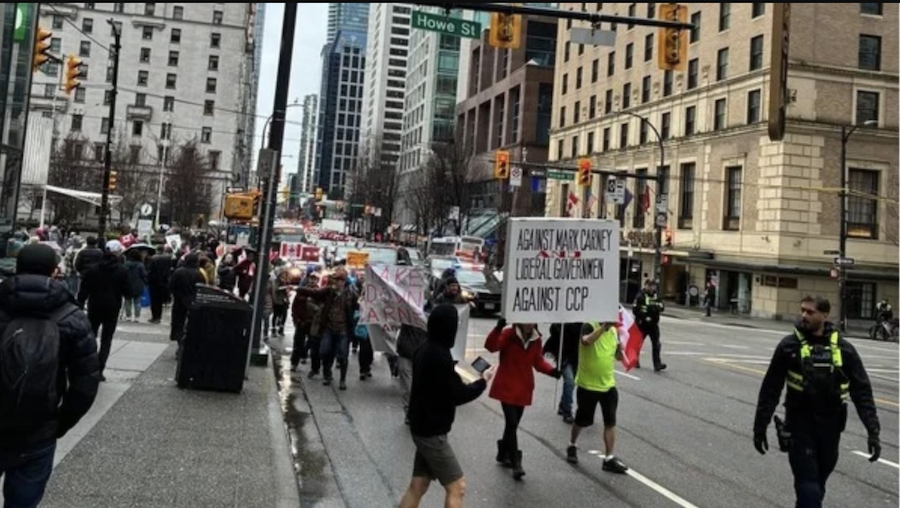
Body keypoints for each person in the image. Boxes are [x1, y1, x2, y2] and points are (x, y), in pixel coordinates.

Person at [753, 295, 881, 508]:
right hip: (799, 426)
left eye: (810, 312)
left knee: (817, 486)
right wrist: (760, 427)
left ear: (824, 315)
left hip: (830, 430)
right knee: (809, 487)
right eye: (802, 310)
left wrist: (873, 431)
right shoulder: (788, 346)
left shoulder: (844, 350)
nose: (803, 315)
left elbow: (862, 392)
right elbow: (770, 389)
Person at [0, 244, 99, 508]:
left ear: (16, 268)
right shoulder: (72, 317)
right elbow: (85, 383)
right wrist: (60, 422)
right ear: (55, 272)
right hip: (37, 428)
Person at [399, 304, 493, 508]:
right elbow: (457, 394)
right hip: (432, 432)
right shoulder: (438, 355)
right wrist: (483, 381)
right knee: (457, 486)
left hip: (422, 427)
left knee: (419, 485)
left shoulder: (425, 347)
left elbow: (442, 383)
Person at [485, 318, 559, 480]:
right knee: (512, 423)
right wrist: (498, 328)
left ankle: (502, 452)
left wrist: (552, 371)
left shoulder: (536, 339)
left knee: (512, 424)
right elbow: (491, 347)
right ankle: (516, 463)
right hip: (506, 386)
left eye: (532, 321)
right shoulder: (508, 334)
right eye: (527, 320)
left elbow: (538, 362)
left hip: (523, 388)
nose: (529, 324)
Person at [565, 321, 629, 473]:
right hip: (588, 385)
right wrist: (603, 327)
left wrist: (620, 350)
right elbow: (586, 341)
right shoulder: (589, 325)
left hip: (608, 385)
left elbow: (619, 357)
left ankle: (608, 458)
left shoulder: (614, 331)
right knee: (582, 420)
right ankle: (572, 444)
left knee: (610, 421)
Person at [295, 268, 358, 390]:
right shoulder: (329, 291)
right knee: (324, 351)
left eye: (340, 280)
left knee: (343, 355)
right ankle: (327, 374)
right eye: (336, 280)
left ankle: (342, 380)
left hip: (343, 329)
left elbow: (360, 304)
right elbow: (314, 293)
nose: (338, 283)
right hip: (328, 327)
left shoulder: (351, 294)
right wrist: (298, 289)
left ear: (344, 281)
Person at [77, 240, 130, 382]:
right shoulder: (122, 270)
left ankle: (88, 365)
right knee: (107, 339)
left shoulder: (93, 269)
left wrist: (80, 304)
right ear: (117, 252)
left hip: (95, 305)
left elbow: (84, 290)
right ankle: (100, 369)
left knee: (90, 335)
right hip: (112, 307)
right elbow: (128, 291)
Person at [544, 322, 584, 423]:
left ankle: (563, 405)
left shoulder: (582, 321)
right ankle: (567, 411)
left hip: (576, 356)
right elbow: (553, 330)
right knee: (569, 381)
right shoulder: (561, 321)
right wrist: (560, 326)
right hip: (564, 356)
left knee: (572, 382)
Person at [168, 253, 205, 343]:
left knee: (178, 322)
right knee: (191, 323)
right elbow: (202, 288)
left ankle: (179, 339)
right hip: (193, 301)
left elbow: (171, 285)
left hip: (179, 301)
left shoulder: (179, 271)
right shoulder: (199, 273)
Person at [632, 280, 666, 371]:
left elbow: (662, 307)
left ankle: (657, 364)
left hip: (653, 325)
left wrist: (657, 308)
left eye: (653, 286)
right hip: (642, 324)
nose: (651, 288)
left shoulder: (656, 296)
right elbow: (635, 310)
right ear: (645, 286)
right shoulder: (640, 296)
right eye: (649, 286)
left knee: (656, 344)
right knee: (638, 343)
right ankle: (635, 361)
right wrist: (644, 316)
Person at [290, 273, 321, 371]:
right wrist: (296, 319)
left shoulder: (320, 293)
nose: (312, 281)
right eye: (311, 279)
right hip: (302, 322)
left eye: (315, 279)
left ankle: (314, 367)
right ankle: (294, 363)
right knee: (298, 343)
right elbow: (295, 306)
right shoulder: (302, 291)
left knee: (313, 344)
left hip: (313, 323)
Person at [146, 245, 174, 324]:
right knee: (160, 300)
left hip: (154, 282)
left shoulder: (153, 258)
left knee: (154, 300)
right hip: (163, 282)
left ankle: (155, 316)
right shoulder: (168, 258)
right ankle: (158, 317)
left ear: (157, 250)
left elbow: (150, 270)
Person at [123, 249, 148, 323]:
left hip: (127, 285)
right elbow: (144, 275)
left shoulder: (126, 264)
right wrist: (146, 283)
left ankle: (128, 316)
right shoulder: (140, 265)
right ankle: (137, 317)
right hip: (138, 285)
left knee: (127, 301)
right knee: (137, 302)